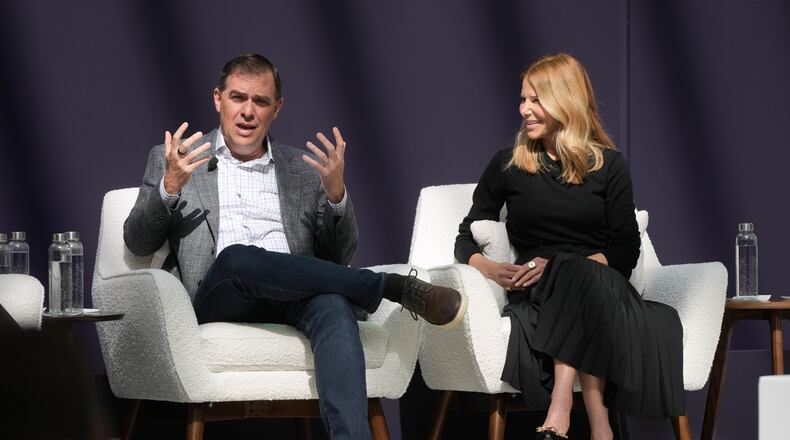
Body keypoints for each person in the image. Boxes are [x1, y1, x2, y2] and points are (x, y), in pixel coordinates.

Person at [124, 53, 467, 440]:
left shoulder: (302, 169)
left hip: (291, 291)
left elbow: (338, 258)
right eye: (238, 98)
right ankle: (390, 287)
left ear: (277, 108)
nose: (248, 112)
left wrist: (337, 196)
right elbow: (137, 242)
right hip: (219, 293)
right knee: (238, 258)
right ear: (218, 99)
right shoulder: (177, 159)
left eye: (261, 101)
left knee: (335, 305)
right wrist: (170, 187)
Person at [455, 53, 684, 440]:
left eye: (535, 100)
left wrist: (566, 264)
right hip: (537, 294)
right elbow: (465, 237)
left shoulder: (610, 166)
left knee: (574, 270)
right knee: (570, 275)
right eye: (523, 99)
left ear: (566, 102)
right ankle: (600, 422)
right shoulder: (508, 165)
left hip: (606, 290)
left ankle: (560, 405)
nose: (524, 109)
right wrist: (491, 270)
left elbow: (626, 249)